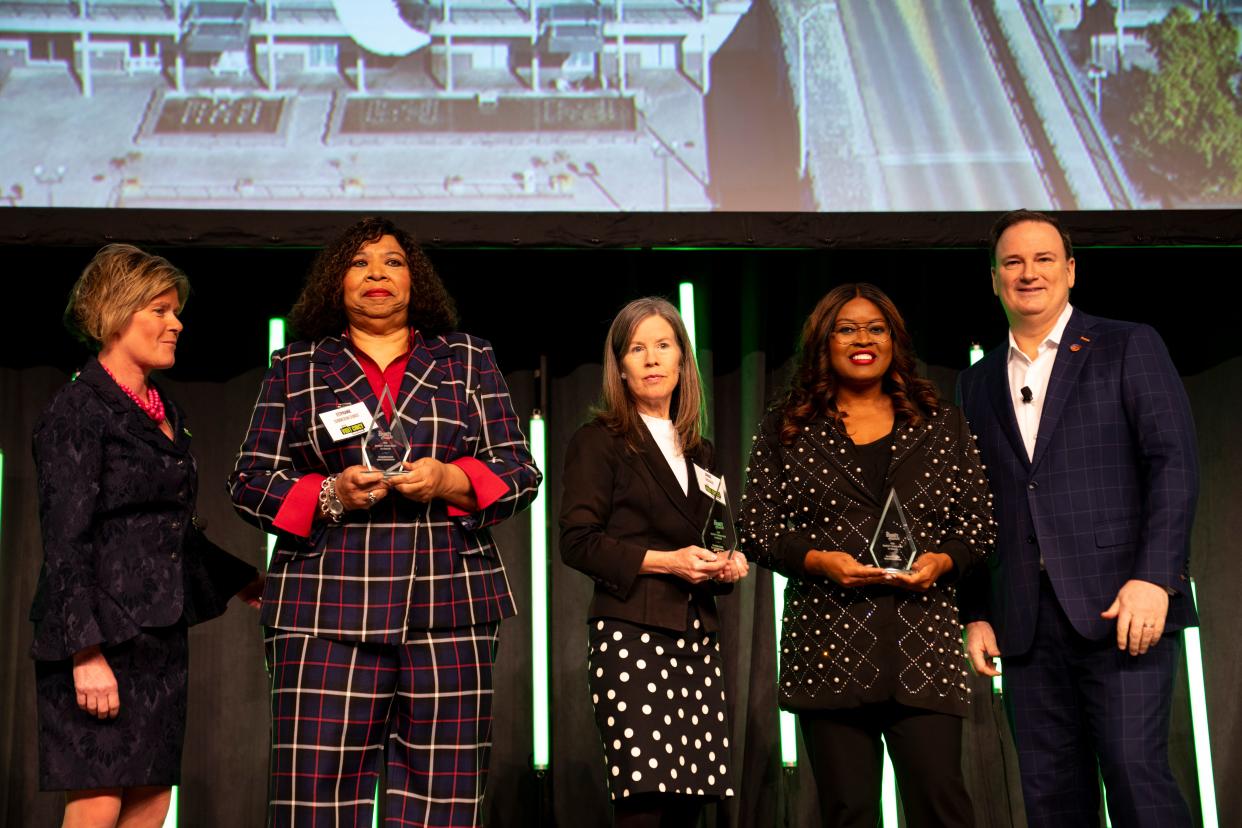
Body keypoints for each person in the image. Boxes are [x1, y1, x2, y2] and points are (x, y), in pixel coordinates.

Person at [229, 216, 540, 827]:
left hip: (451, 607)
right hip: (324, 610)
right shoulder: (297, 367)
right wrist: (330, 495)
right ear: (334, 282)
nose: (377, 274)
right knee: (311, 805)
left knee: (444, 807)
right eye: (359, 262)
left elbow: (519, 469)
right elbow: (249, 482)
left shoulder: (468, 360)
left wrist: (451, 480)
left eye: (393, 262)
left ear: (414, 278)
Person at [957, 210, 1198, 828]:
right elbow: (976, 505)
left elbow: (1173, 463)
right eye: (1012, 262)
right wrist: (977, 610)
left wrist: (1157, 578)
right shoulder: (976, 382)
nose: (1028, 273)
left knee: (1136, 776)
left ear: (1071, 270)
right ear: (993, 280)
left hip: (1123, 607)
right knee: (1050, 800)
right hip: (1025, 623)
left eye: (1043, 259)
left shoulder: (1127, 343)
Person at [739, 283, 994, 828]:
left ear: (894, 341)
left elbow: (978, 526)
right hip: (828, 649)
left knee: (942, 806)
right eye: (846, 328)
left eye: (875, 328)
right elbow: (755, 527)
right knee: (848, 811)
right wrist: (816, 561)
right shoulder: (787, 428)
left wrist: (942, 563)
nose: (862, 339)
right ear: (823, 342)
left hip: (923, 649)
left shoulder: (942, 424)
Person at [30, 243, 261, 828]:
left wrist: (239, 581)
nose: (175, 322)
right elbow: (66, 540)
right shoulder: (78, 411)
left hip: (158, 634)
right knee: (100, 796)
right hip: (97, 637)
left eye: (176, 310)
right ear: (114, 312)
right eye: (159, 309)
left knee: (154, 795)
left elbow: (162, 524)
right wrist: (85, 653)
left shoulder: (165, 407)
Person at [560, 297, 749, 827]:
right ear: (619, 366)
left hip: (697, 638)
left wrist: (724, 563)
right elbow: (576, 541)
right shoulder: (599, 441)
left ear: (682, 361)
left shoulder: (702, 451)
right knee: (645, 806)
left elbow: (708, 539)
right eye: (637, 348)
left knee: (690, 807)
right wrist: (665, 562)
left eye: (663, 345)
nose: (651, 359)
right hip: (632, 637)